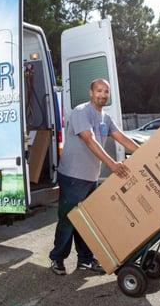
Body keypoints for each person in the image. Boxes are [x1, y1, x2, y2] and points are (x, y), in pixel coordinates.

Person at [49, 78, 140, 275]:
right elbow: (89, 140)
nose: (102, 95)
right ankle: (57, 258)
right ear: (91, 93)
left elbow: (122, 137)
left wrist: (144, 152)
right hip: (73, 176)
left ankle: (85, 260)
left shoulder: (105, 118)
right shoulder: (81, 112)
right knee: (68, 220)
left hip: (90, 177)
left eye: (106, 92)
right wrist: (112, 164)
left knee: (87, 220)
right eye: (99, 91)